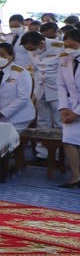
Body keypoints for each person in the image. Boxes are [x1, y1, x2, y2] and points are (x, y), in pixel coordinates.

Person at [0, 42, 35, 128]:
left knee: (3, 138)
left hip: (20, 116)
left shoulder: (21, 73)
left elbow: (23, 98)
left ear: (11, 56)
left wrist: (2, 113)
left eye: (2, 54)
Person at [60, 27, 80, 186]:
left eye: (72, 46)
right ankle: (76, 175)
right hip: (71, 106)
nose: (69, 50)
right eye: (66, 46)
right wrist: (64, 108)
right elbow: (60, 85)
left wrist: (77, 113)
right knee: (68, 140)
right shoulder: (64, 59)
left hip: (77, 110)